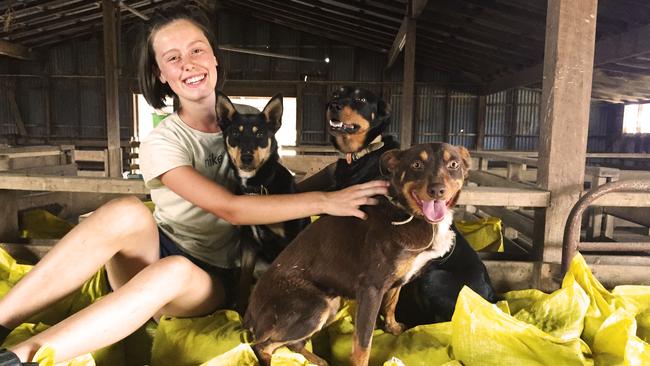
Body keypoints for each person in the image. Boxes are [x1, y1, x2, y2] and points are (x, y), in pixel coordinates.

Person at [0, 7, 388, 365]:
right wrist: (326, 201)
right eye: (172, 58)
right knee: (124, 210)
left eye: (196, 50)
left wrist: (346, 171)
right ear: (159, 74)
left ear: (215, 58)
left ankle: (19, 357)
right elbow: (231, 209)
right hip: (156, 251)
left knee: (174, 271)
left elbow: (277, 189)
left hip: (208, 275)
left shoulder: (245, 123)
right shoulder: (165, 141)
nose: (188, 64)